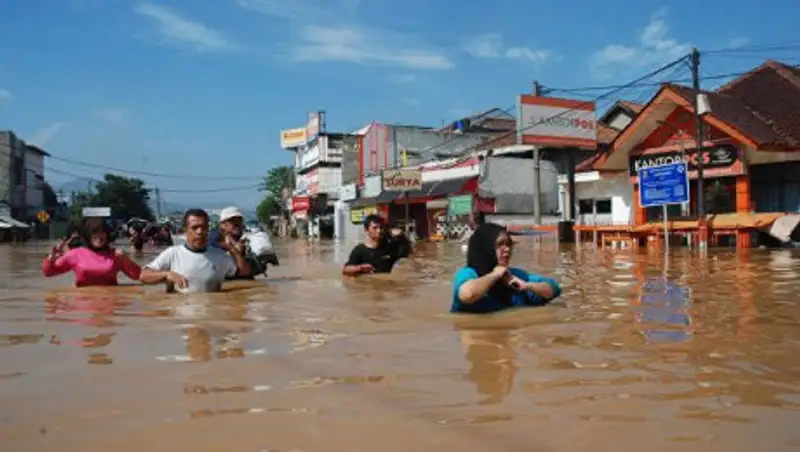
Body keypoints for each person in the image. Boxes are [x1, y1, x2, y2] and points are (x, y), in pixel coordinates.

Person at [451, 222, 561, 314]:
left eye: (508, 244)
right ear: (485, 248)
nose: (507, 249)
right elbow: (467, 295)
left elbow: (554, 289)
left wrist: (527, 286)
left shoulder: (514, 276)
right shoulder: (468, 274)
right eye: (500, 244)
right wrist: (494, 275)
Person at [139, 208, 251, 293]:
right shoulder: (173, 253)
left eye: (204, 227)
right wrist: (166, 274)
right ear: (185, 230)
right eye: (194, 227)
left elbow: (244, 271)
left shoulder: (219, 256)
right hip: (180, 319)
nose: (200, 232)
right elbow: (143, 276)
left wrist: (232, 249)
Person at [41, 218, 142, 287]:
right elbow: (49, 273)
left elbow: (138, 276)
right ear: (88, 235)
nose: (99, 236)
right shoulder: (75, 254)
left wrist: (126, 259)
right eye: (95, 233)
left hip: (110, 302)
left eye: (102, 232)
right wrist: (50, 259)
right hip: (82, 304)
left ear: (107, 235)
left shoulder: (116, 254)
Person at [210, 206, 278, 279]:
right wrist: (232, 248)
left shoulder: (246, 236)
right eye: (232, 221)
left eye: (239, 220)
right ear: (222, 225)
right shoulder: (214, 237)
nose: (237, 223)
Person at [342, 214, 412, 276]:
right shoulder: (359, 250)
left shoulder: (389, 248)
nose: (379, 231)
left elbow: (407, 253)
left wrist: (401, 236)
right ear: (366, 230)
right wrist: (360, 268)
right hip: (368, 288)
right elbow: (346, 270)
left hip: (387, 288)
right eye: (375, 228)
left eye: (381, 227)